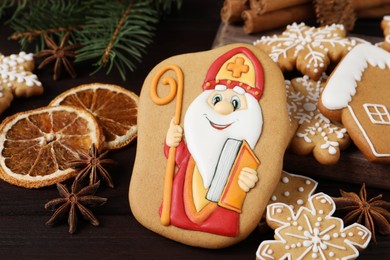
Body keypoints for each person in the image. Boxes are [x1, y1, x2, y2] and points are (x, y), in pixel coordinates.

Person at [163, 47, 265, 236]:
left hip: (221, 223)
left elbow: (245, 183)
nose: (223, 108)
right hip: (177, 213)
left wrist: (247, 182)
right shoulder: (197, 149)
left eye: (235, 103)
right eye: (216, 99)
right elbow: (177, 156)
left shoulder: (242, 160)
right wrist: (171, 141)